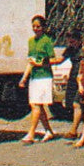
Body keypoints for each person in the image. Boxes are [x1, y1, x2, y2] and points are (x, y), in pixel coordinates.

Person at [18, 15, 60, 144]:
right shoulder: (31, 41)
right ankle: (49, 131)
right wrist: (24, 78)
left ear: (43, 27)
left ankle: (31, 133)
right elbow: (30, 62)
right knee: (36, 105)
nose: (36, 29)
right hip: (34, 77)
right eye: (34, 27)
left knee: (36, 105)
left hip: (44, 76)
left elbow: (53, 59)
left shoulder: (46, 41)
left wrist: (41, 64)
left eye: (38, 27)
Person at [60, 28, 84, 140]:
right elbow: (60, 60)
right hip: (73, 78)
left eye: (73, 41)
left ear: (79, 40)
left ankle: (73, 131)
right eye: (69, 42)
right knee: (73, 104)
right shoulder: (70, 49)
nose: (71, 44)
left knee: (77, 103)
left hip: (82, 78)